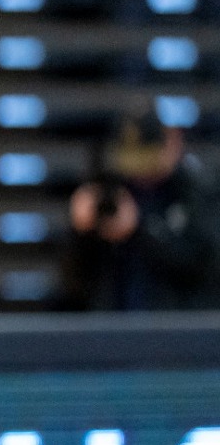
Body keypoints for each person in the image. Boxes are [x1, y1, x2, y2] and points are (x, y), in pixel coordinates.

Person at [62, 111, 220, 311]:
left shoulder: (194, 190)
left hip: (177, 322)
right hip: (111, 322)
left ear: (172, 143)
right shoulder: (112, 191)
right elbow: (74, 285)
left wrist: (140, 228)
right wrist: (81, 233)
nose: (141, 172)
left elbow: (203, 266)